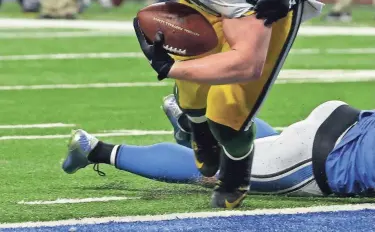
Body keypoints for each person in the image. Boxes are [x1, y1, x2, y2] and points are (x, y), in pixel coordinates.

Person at [12, 0, 323, 207]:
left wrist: (171, 66)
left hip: (270, 1)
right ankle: (197, 129)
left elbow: (247, 62)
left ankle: (235, 179)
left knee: (228, 110)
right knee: (190, 93)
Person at [63, 97, 375, 198]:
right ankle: (95, 149)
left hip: (343, 118)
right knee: (221, 173)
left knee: (272, 146)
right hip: (320, 159)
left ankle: (192, 124)